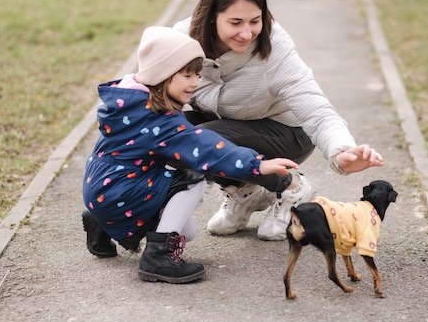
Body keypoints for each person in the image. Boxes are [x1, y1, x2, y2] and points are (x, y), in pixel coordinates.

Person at [172, 0, 385, 242]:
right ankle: (243, 193)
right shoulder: (182, 41)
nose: (247, 33)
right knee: (170, 134)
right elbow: (154, 97)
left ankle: (293, 188)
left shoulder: (274, 49)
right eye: (235, 22)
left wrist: (340, 152)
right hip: (230, 126)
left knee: (204, 138)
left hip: (286, 135)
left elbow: (316, 109)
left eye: (255, 21)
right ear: (212, 16)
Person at [81, 26, 299, 284]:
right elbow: (206, 147)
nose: (195, 82)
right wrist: (257, 166)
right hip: (121, 192)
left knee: (189, 232)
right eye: (187, 75)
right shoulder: (158, 120)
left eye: (197, 74)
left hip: (99, 189)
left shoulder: (128, 102)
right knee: (193, 176)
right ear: (163, 75)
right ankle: (157, 258)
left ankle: (102, 224)